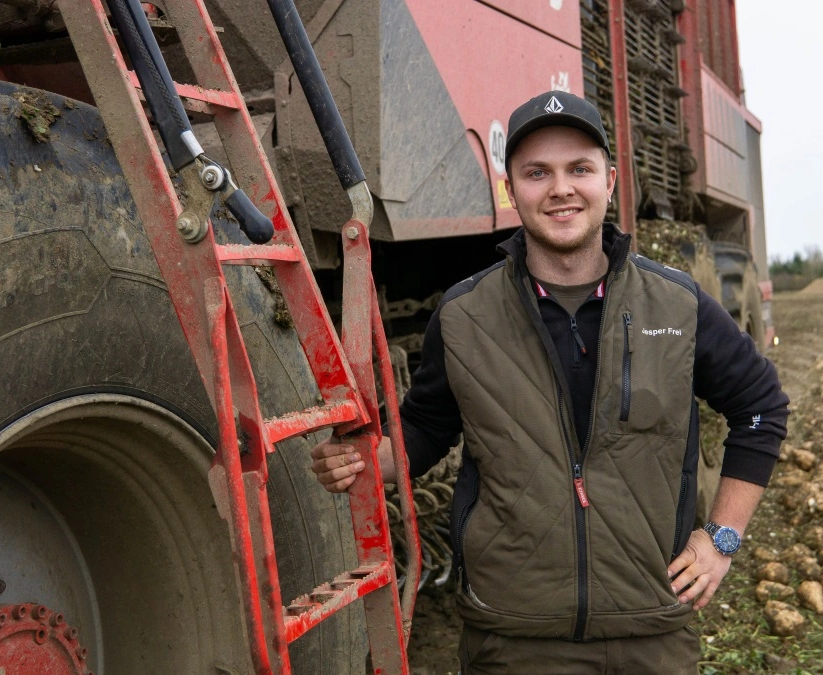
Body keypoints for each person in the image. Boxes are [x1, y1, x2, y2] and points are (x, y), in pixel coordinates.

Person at [311, 90, 789, 673]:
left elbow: (761, 408)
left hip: (653, 629)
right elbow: (426, 428)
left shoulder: (677, 304)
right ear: (511, 189)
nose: (561, 188)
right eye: (537, 173)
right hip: (513, 636)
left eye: (579, 169)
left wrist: (721, 540)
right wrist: (364, 461)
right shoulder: (465, 316)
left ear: (609, 182)